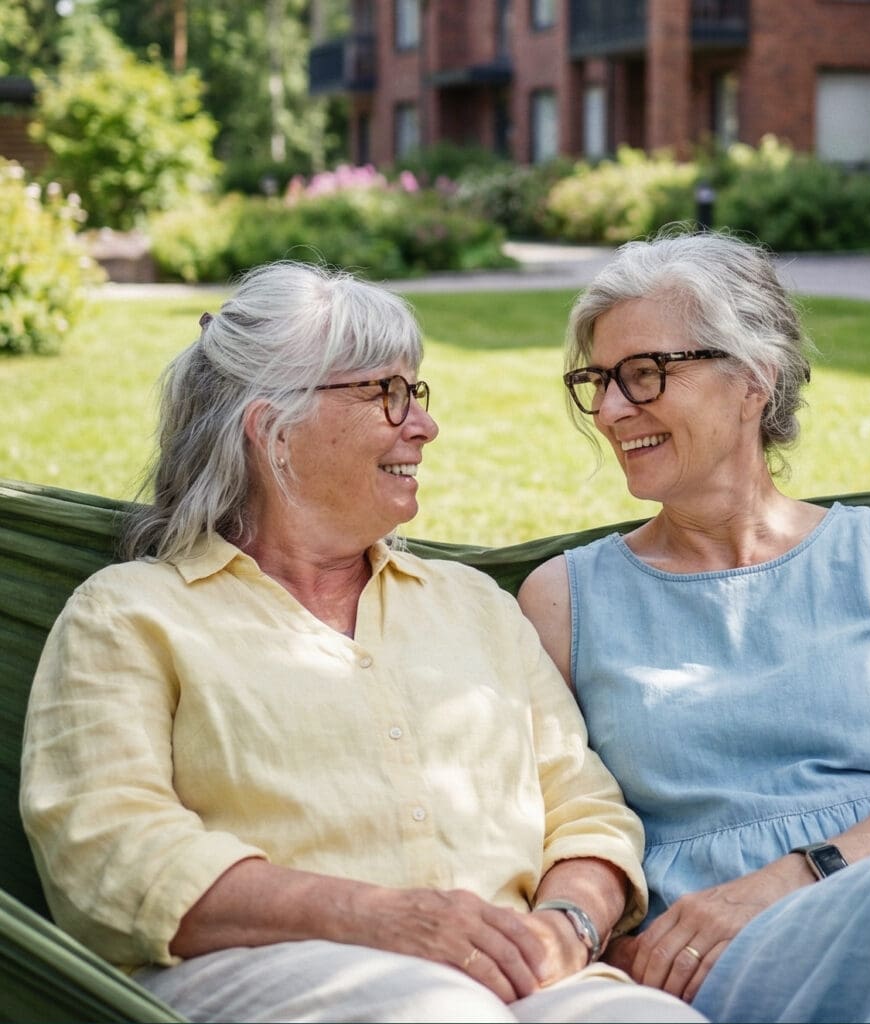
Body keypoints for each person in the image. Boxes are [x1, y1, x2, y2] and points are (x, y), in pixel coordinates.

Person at [19, 261, 702, 1024]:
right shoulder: (130, 618)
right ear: (272, 427)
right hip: (261, 975)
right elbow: (107, 852)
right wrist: (380, 919)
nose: (424, 424)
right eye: (388, 393)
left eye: (419, 392)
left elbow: (586, 812)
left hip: (525, 980)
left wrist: (564, 929)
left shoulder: (472, 606)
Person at [518, 229, 870, 1023]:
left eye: (645, 374)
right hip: (710, 963)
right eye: (599, 381)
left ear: (753, 378)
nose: (613, 410)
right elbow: (540, 824)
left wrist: (786, 880)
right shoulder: (565, 600)